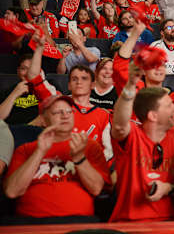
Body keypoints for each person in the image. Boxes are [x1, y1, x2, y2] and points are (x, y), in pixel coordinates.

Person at [4, 94, 110, 223]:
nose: (65, 115)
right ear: (43, 119)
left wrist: (79, 158)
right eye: (57, 112)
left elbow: (97, 188)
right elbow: (12, 191)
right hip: (32, 222)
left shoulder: (89, 146)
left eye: (68, 111)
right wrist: (39, 152)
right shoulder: (25, 149)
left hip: (79, 222)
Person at [110, 67, 174, 222]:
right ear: (153, 115)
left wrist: (169, 188)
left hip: (172, 224)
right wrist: (129, 87)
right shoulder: (133, 136)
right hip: (130, 223)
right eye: (169, 105)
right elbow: (120, 125)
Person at [27, 31, 113, 162]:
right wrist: (39, 49)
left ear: (92, 85)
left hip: (87, 168)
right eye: (74, 79)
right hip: (56, 164)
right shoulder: (58, 101)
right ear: (68, 85)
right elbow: (34, 77)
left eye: (84, 78)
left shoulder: (103, 116)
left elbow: (108, 154)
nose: (79, 82)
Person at [113, 20, 174, 136]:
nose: (158, 68)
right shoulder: (135, 91)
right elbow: (119, 66)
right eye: (153, 64)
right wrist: (135, 34)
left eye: (162, 64)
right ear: (144, 70)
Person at [0, 54, 39, 125]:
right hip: (14, 131)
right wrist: (14, 93)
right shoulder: (8, 91)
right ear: (18, 71)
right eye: (24, 68)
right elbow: (0, 118)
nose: (28, 73)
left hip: (41, 131)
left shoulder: (50, 86)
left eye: (32, 69)